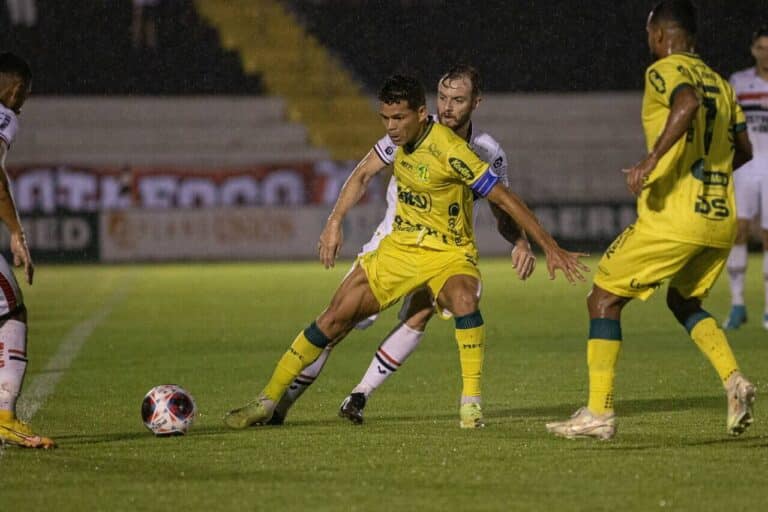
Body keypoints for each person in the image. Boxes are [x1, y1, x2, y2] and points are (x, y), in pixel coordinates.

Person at [224, 74, 588, 430]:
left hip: (445, 252)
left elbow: (503, 200)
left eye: (458, 100)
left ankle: (465, 403)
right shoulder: (398, 138)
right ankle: (271, 402)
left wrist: (539, 244)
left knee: (451, 304)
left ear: (472, 104)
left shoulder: (472, 150)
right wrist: (334, 222)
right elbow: (364, 173)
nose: (449, 106)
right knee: (335, 321)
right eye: (444, 97)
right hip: (395, 244)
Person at [546, 0, 755, 441]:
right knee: (684, 303)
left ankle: (598, 414)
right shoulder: (723, 83)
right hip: (718, 219)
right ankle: (734, 381)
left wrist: (650, 160)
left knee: (602, 299)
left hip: (672, 219)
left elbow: (687, 101)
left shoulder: (664, 70)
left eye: (649, 37)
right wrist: (708, 179)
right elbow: (746, 151)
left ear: (660, 35)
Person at [0, 52, 54, 449]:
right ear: (16, 88)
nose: (24, 103)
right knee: (12, 310)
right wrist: (17, 232)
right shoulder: (4, 116)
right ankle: (3, 415)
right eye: (25, 94)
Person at [723, 26, 768, 330]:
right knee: (737, 231)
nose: (766, 53)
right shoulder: (738, 82)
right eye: (761, 47)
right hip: (745, 165)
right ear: (753, 49)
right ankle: (737, 304)